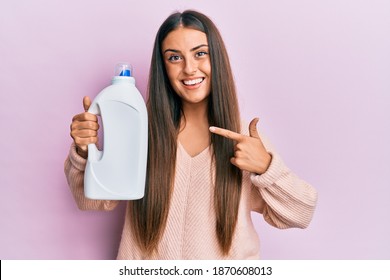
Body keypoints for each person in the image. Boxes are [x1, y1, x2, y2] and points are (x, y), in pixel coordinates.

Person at [65, 10, 317, 260]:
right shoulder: (142, 131)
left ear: (216, 58)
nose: (189, 68)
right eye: (174, 57)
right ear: (163, 67)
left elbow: (300, 213)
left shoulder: (242, 139)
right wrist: (86, 152)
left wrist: (266, 168)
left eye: (200, 53)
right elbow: (91, 202)